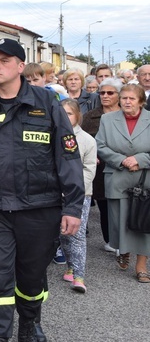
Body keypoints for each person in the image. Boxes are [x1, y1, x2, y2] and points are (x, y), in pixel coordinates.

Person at [0, 38, 84, 342]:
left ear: (21, 67)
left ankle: (29, 323)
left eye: (3, 61)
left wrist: (73, 207)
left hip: (39, 207)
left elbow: (68, 157)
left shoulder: (47, 102)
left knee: (32, 274)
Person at [95, 83, 150, 283]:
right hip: (117, 176)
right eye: (124, 98)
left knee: (144, 221)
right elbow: (99, 145)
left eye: (132, 98)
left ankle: (141, 265)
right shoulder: (107, 119)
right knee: (119, 220)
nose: (127, 101)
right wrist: (121, 160)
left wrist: (140, 160)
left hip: (145, 177)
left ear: (141, 101)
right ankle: (123, 249)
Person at [59, 99, 97, 293]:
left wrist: (72, 186)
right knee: (62, 235)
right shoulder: (53, 136)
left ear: (78, 116)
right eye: (62, 114)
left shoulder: (87, 140)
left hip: (80, 194)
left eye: (70, 114)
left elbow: (89, 170)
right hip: (56, 194)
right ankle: (71, 266)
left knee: (77, 234)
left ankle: (79, 276)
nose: (66, 118)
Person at [82, 77, 123, 253]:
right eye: (102, 93)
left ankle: (128, 239)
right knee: (105, 203)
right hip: (100, 168)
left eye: (110, 93)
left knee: (125, 205)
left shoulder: (127, 113)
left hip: (124, 167)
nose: (105, 96)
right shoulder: (90, 116)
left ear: (119, 95)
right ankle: (110, 240)